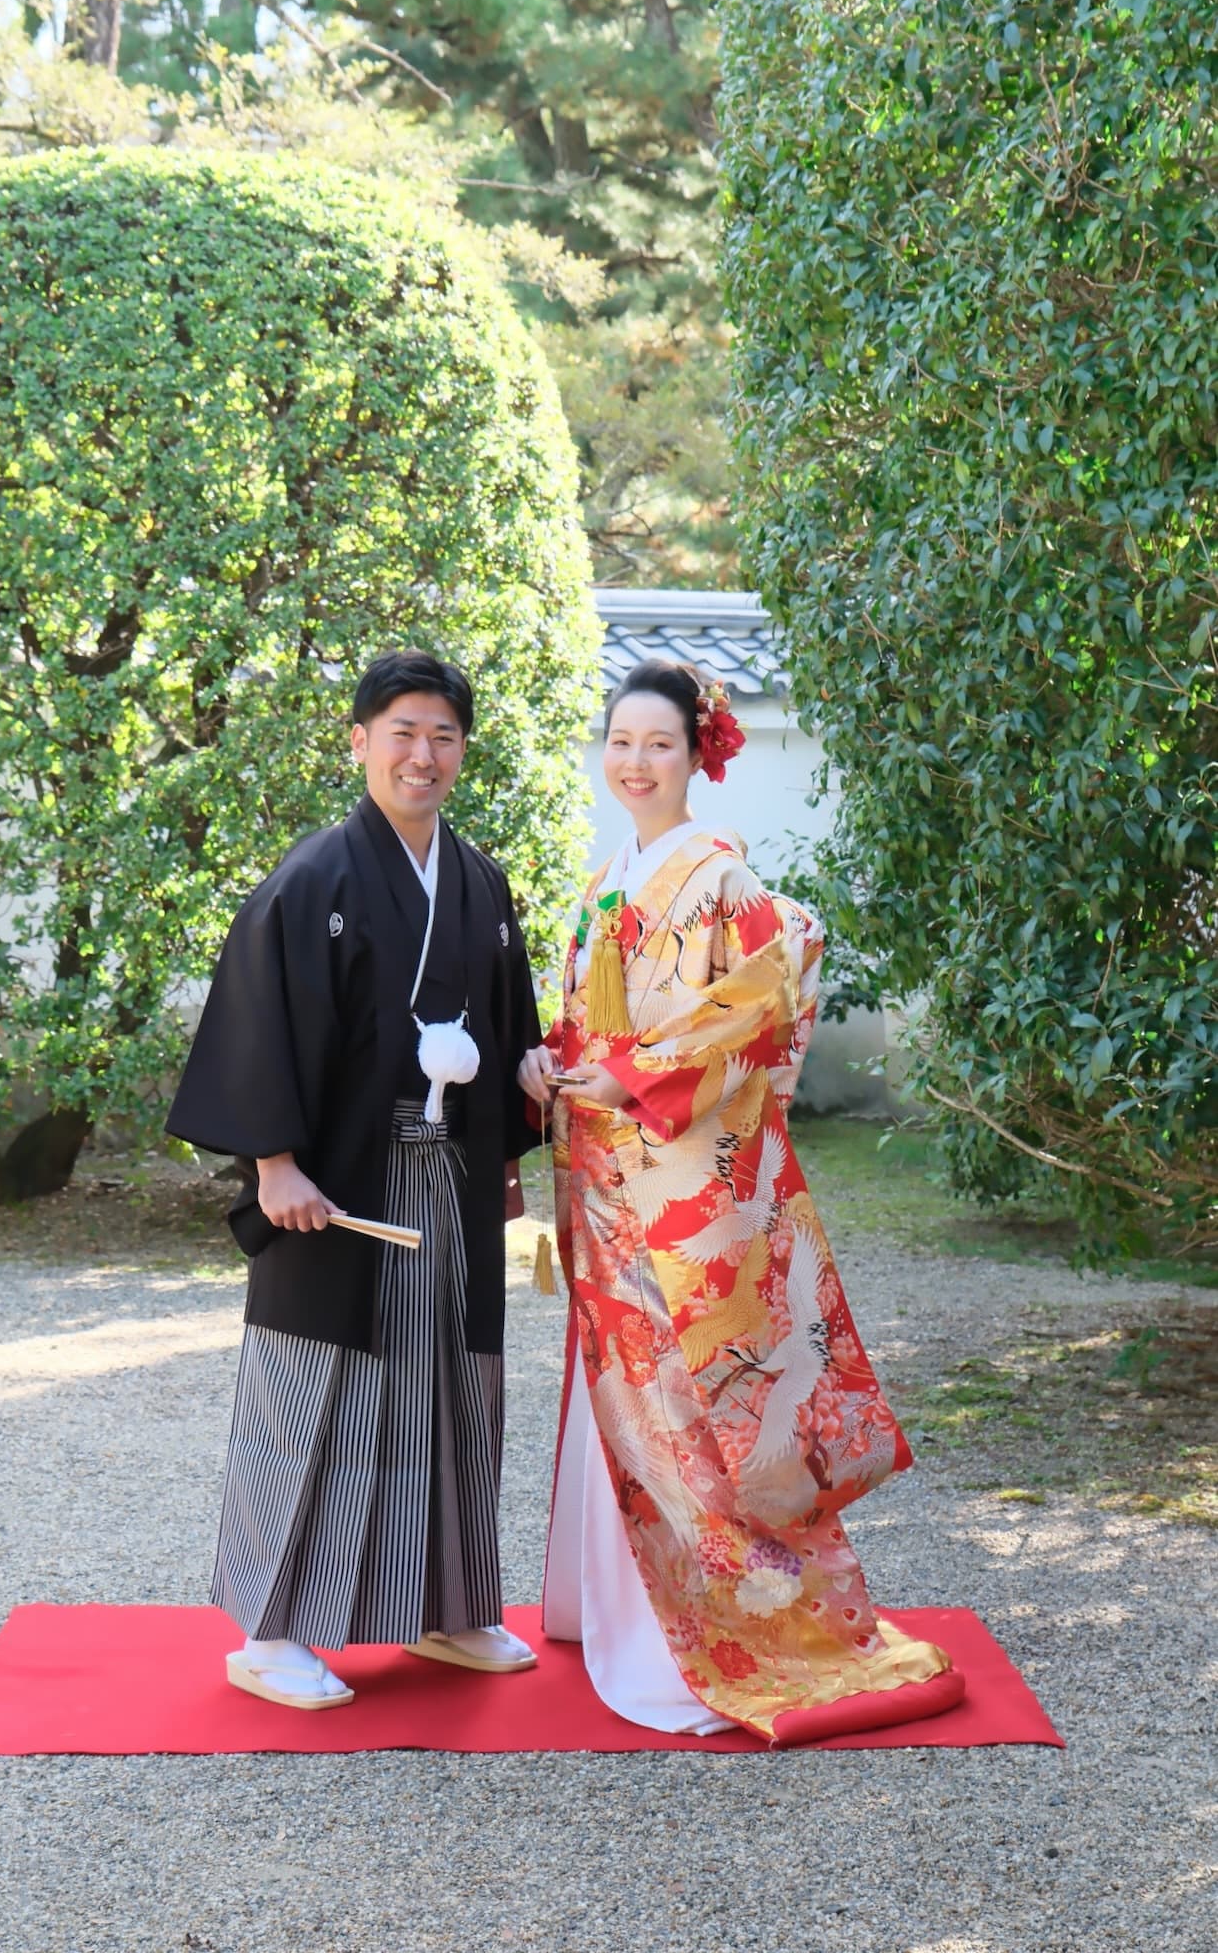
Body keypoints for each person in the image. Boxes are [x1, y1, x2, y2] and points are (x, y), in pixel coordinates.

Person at [519, 659, 965, 1745]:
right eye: (620, 740)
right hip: (609, 1173)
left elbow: (759, 1004)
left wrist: (633, 1072)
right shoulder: (606, 875)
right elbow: (591, 1021)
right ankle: (625, 1612)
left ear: (695, 755)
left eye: (658, 744)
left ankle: (733, 1627)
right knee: (628, 1393)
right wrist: (550, 1059)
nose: (634, 760)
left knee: (692, 1403)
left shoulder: (716, 875)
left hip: (683, 1184)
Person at [168, 649, 543, 1709]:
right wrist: (273, 1159)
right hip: (336, 1183)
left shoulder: (478, 882)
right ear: (359, 741)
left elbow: (505, 1027)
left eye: (443, 736)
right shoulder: (315, 879)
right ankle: (271, 1627)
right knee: (316, 1394)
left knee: (447, 1392)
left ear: (462, 750)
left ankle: (446, 1604)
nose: (423, 755)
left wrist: (511, 1138)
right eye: (402, 733)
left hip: (448, 1183)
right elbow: (260, 1021)